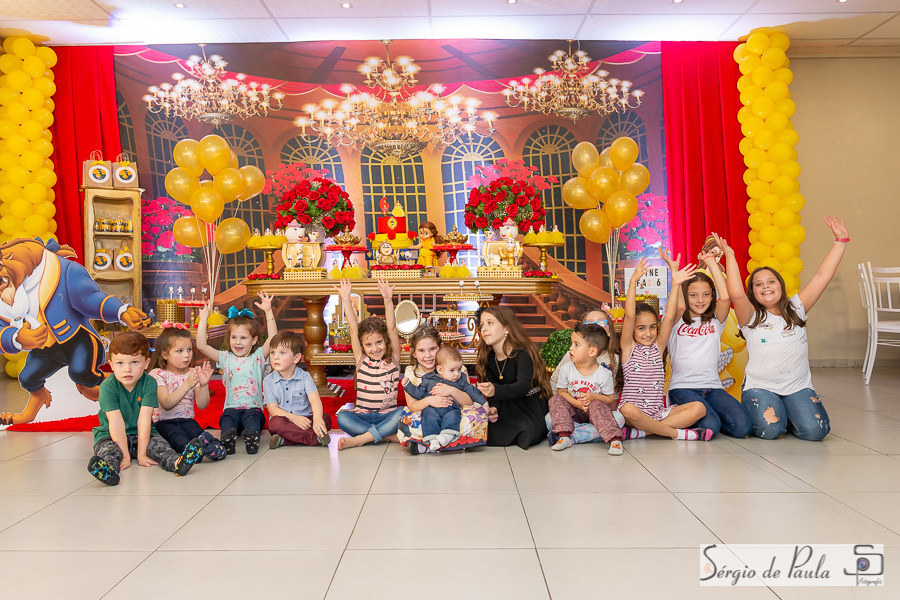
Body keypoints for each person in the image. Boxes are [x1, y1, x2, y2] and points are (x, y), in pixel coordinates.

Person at [713, 215, 848, 441]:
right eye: (758, 284)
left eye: (771, 281)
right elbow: (736, 293)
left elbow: (822, 277)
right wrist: (730, 255)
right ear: (753, 292)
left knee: (817, 431)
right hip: (761, 387)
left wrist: (840, 242)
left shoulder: (797, 308)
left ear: (780, 285)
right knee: (770, 430)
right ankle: (773, 414)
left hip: (797, 386)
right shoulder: (750, 316)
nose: (766, 286)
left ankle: (789, 413)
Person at [659, 247, 753, 439]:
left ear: (712, 296)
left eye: (706, 294)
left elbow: (725, 297)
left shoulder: (716, 321)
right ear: (686, 296)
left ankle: (706, 419)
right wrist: (675, 279)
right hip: (682, 389)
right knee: (711, 426)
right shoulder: (677, 320)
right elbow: (676, 308)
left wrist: (710, 261)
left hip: (713, 388)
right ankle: (670, 420)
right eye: (693, 295)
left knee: (743, 427)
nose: (700, 300)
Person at [87, 332, 202, 486]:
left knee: (160, 447)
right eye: (120, 363)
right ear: (111, 364)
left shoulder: (149, 383)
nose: (127, 369)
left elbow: (144, 419)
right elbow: (116, 422)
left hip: (143, 434)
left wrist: (142, 455)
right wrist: (125, 456)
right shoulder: (108, 387)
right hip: (110, 435)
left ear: (146, 363)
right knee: (109, 451)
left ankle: (177, 463)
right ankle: (110, 471)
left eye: (134, 362)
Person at [617, 258, 712, 442]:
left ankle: (644, 432)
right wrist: (633, 283)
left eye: (652, 327)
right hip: (633, 414)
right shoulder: (628, 348)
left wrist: (676, 284)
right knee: (627, 409)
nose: (648, 333)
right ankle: (678, 434)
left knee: (699, 408)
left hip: (658, 413)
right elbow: (629, 315)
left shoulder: (658, 347)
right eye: (641, 328)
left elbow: (669, 317)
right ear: (633, 329)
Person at [197, 292, 277, 455]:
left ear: (254, 340)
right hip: (231, 408)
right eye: (234, 337)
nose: (237, 342)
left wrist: (268, 312)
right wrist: (204, 319)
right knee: (227, 419)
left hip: (253, 409)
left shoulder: (257, 357)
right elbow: (201, 346)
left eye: (243, 338)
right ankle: (228, 438)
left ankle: (252, 437)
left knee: (252, 419)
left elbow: (273, 339)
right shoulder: (225, 357)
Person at [334, 278, 405, 450]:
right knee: (342, 417)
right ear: (362, 345)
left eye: (379, 342)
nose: (374, 348)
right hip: (362, 416)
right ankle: (387, 436)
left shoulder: (393, 360)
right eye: (368, 344)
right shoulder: (361, 360)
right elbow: (353, 327)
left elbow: (392, 328)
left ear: (386, 341)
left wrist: (388, 300)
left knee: (404, 412)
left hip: (387, 416)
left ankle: (360, 439)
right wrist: (346, 299)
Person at [398, 324, 488, 455]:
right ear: (414, 353)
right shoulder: (411, 371)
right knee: (409, 421)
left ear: (441, 347)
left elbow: (468, 401)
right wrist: (430, 400)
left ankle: (427, 446)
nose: (428, 355)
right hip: (427, 413)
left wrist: (451, 391)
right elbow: (412, 405)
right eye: (421, 351)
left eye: (432, 349)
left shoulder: (457, 369)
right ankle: (456, 443)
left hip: (454, 411)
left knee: (474, 417)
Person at [475, 306, 551, 449]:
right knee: (485, 428)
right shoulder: (489, 358)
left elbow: (522, 386)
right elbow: (494, 394)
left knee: (526, 432)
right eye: (482, 325)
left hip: (529, 403)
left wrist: (495, 391)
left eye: (490, 323)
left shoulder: (522, 354)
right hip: (507, 404)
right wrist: (494, 409)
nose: (484, 328)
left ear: (507, 329)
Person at [148, 324, 226, 461]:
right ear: (165, 354)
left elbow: (202, 405)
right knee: (178, 438)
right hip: (164, 423)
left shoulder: (192, 373)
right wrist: (187, 385)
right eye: (179, 351)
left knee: (198, 433)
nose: (186, 355)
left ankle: (213, 447)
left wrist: (203, 385)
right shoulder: (158, 374)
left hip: (187, 420)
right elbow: (166, 403)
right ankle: (194, 451)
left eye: (189, 350)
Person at [549, 323, 624, 455]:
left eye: (576, 345)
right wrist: (576, 403)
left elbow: (609, 398)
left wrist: (594, 397)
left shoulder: (604, 373)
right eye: (571, 344)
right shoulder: (567, 368)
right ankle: (565, 436)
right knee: (554, 402)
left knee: (618, 417)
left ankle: (615, 439)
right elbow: (561, 392)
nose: (570, 348)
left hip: (594, 414)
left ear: (592, 351)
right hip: (573, 413)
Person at [264, 331, 331, 449]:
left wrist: (317, 419)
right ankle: (313, 438)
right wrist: (294, 419)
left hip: (306, 420)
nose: (276, 357)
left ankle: (285, 440)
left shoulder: (305, 377)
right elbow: (273, 409)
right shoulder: (268, 381)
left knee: (326, 419)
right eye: (273, 352)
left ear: (296, 358)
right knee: (274, 423)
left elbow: (314, 399)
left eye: (282, 353)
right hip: (285, 421)